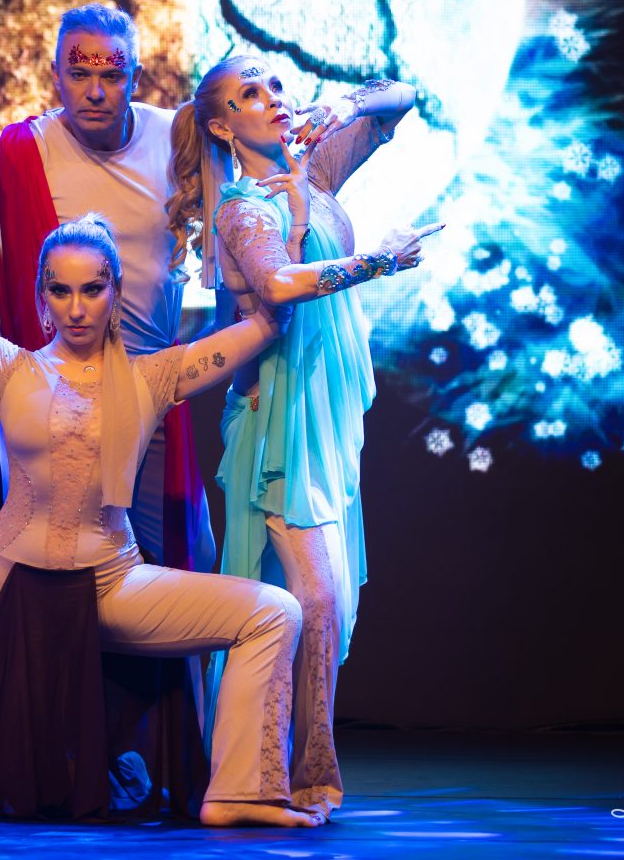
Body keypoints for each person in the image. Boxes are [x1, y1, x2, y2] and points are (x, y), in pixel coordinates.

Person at [0, 208, 322, 828]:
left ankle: (239, 792)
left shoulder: (153, 377)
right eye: (60, 290)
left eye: (93, 288)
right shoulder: (6, 367)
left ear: (115, 292)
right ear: (41, 297)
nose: (77, 307)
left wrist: (305, 234)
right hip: (18, 603)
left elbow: (269, 320)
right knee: (36, 791)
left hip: (112, 586)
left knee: (275, 611)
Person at [166, 56, 442, 818]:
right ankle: (302, 769)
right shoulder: (244, 207)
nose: (272, 101)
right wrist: (376, 261)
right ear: (223, 125)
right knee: (314, 597)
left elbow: (403, 95)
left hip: (320, 406)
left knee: (324, 600)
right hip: (277, 416)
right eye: (250, 95)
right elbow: (280, 282)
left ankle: (269, 768)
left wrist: (339, 105)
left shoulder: (313, 171)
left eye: (275, 87)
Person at [0, 4, 213, 574]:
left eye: (112, 75)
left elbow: (239, 222)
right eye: (80, 74)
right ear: (56, 76)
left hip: (152, 389)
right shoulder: (24, 151)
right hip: (65, 403)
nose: (95, 91)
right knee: (68, 575)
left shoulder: (175, 138)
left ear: (134, 78)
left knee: (172, 566)